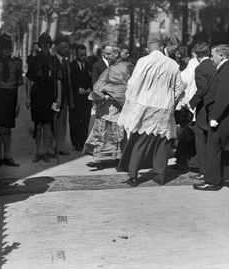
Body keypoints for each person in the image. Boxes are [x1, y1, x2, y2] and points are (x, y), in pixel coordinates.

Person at [117, 38, 183, 187]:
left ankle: (133, 176)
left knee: (141, 139)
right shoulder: (172, 63)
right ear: (161, 48)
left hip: (145, 105)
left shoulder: (142, 61)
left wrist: (132, 101)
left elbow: (132, 83)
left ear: (148, 49)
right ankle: (161, 175)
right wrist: (172, 101)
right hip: (164, 106)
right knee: (163, 140)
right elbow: (179, 87)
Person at [193, 44, 229, 191]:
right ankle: (227, 177)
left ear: (221, 56)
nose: (211, 59)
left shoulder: (227, 69)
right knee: (225, 145)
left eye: (213, 56)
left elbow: (224, 95)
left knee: (213, 147)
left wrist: (215, 116)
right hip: (224, 115)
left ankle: (212, 181)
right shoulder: (227, 68)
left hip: (222, 115)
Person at [83, 41, 134, 170]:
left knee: (118, 134)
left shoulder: (125, 67)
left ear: (117, 53)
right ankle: (99, 159)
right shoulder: (110, 66)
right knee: (102, 133)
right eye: (104, 53)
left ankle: (120, 159)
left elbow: (124, 86)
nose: (106, 56)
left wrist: (111, 94)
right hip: (104, 106)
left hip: (117, 105)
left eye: (109, 53)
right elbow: (100, 84)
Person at [26, 32, 62, 163]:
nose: (46, 47)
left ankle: (45, 152)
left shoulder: (54, 61)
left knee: (47, 124)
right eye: (44, 44)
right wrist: (28, 98)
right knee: (38, 124)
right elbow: (28, 80)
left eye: (48, 44)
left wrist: (58, 99)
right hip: (37, 94)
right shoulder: (34, 60)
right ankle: (38, 152)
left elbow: (58, 80)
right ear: (40, 45)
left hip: (49, 95)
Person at [0, 33, 23, 168]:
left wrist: (18, 104)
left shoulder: (17, 64)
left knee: (7, 128)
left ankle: (7, 157)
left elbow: (19, 85)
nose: (7, 50)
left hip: (10, 97)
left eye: (8, 47)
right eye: (4, 47)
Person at [188, 42, 216, 180]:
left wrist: (191, 103)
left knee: (201, 142)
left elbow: (202, 89)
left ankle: (204, 171)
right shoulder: (215, 66)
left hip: (203, 110)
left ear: (196, 55)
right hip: (215, 108)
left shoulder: (200, 68)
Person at [170, 44, 200, 171]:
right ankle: (194, 161)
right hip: (198, 103)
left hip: (189, 102)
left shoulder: (193, 62)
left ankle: (181, 160)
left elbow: (184, 80)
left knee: (186, 134)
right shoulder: (209, 63)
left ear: (194, 53)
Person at [47, 34, 74, 158]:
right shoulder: (52, 60)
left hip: (64, 96)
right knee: (53, 121)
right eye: (64, 47)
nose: (66, 49)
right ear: (57, 46)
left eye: (67, 47)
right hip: (54, 95)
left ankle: (60, 146)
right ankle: (50, 148)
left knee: (62, 122)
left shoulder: (65, 61)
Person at [69, 44, 93, 151]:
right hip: (75, 98)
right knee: (75, 121)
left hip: (86, 99)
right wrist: (78, 89)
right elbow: (69, 82)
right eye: (81, 55)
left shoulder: (89, 66)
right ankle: (76, 143)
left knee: (85, 121)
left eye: (85, 55)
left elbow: (92, 80)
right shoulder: (71, 66)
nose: (83, 57)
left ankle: (83, 142)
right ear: (76, 54)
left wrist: (90, 89)